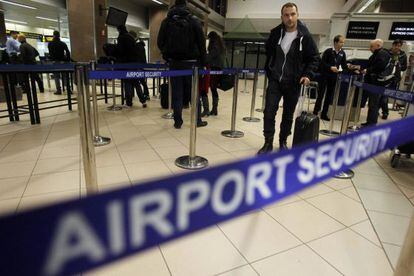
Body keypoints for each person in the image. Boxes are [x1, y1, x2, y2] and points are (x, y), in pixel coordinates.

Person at [258, 2, 319, 154]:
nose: (289, 18)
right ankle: (268, 142)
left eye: (292, 14)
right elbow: (269, 51)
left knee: (288, 115)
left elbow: (314, 58)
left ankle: (283, 141)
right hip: (275, 80)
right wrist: (271, 69)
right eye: (286, 15)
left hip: (293, 82)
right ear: (282, 17)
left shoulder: (305, 37)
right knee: (269, 111)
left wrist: (307, 74)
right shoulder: (275, 33)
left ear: (297, 15)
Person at [158, 0, 208, 129]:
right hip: (191, 64)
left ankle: (178, 121)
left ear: (174, 5)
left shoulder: (166, 21)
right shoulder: (194, 20)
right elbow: (202, 44)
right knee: (193, 94)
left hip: (174, 63)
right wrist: (203, 62)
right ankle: (197, 120)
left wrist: (167, 56)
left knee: (176, 93)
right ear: (186, 6)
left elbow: (160, 42)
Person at [313, 35, 348, 121]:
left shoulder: (342, 53)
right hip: (324, 75)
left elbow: (344, 65)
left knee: (329, 96)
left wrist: (350, 68)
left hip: (333, 77)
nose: (342, 44)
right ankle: (315, 112)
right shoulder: (328, 51)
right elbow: (322, 64)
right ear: (335, 42)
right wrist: (330, 67)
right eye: (340, 42)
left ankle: (324, 114)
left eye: (343, 42)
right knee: (321, 94)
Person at [361, 39, 391, 127]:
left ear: (378, 45)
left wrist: (368, 70)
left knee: (374, 104)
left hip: (377, 83)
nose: (370, 48)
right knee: (372, 103)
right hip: (373, 83)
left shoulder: (382, 54)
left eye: (371, 46)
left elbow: (379, 66)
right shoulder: (378, 54)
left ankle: (371, 124)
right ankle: (369, 122)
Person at [115, 26, 147, 108]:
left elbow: (120, 52)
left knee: (128, 84)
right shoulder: (132, 40)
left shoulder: (122, 38)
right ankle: (143, 101)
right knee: (137, 83)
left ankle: (129, 103)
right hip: (134, 65)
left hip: (126, 65)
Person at [380, 39, 408, 119]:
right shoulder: (386, 52)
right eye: (396, 45)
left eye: (399, 46)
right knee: (381, 95)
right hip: (384, 77)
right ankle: (383, 112)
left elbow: (404, 67)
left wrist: (398, 65)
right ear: (393, 45)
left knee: (385, 96)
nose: (397, 47)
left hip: (394, 78)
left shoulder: (403, 55)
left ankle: (384, 112)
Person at [204, 31, 225, 117]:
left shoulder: (215, 44)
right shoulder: (219, 44)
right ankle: (214, 109)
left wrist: (204, 59)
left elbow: (211, 56)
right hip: (217, 68)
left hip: (215, 68)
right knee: (213, 88)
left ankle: (214, 109)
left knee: (213, 87)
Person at [129, 30, 150, 101]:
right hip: (141, 65)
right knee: (142, 82)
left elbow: (137, 57)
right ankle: (146, 94)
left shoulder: (136, 46)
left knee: (139, 82)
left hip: (137, 66)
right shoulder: (140, 45)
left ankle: (144, 95)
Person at [48, 31, 71, 95]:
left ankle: (59, 90)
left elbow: (50, 53)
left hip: (55, 62)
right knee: (64, 76)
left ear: (53, 35)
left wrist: (52, 59)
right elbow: (67, 52)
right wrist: (67, 60)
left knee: (56, 77)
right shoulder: (62, 43)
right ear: (59, 35)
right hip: (62, 61)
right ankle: (68, 90)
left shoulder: (50, 44)